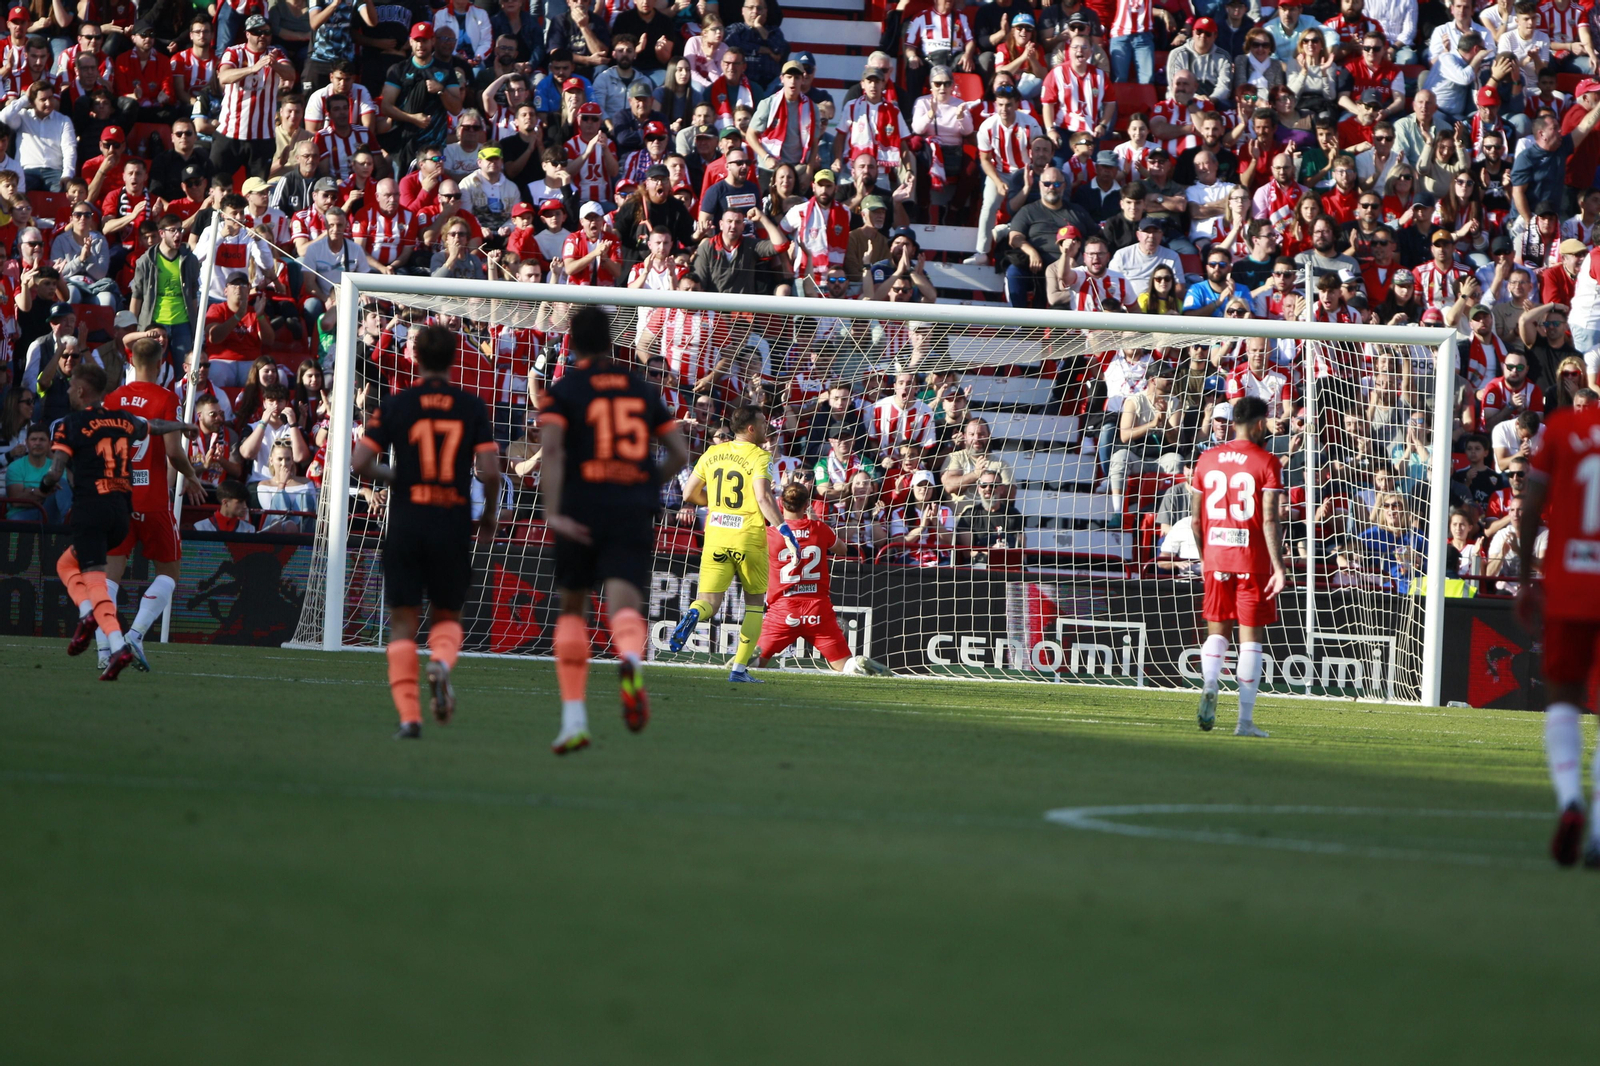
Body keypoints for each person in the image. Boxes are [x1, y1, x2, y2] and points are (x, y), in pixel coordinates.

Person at [538, 305, 688, 753]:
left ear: (574, 343)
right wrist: (643, 484)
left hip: (581, 507)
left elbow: (552, 452)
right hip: (630, 509)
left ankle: (574, 720)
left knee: (573, 609)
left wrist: (553, 511)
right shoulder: (641, 389)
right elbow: (679, 453)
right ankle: (631, 659)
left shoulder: (565, 390)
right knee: (623, 603)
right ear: (610, 341)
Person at [349, 322, 501, 740]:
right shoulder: (471, 406)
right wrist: (489, 515)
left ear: (415, 357)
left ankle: (409, 718)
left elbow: (360, 463)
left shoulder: (397, 404)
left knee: (402, 622)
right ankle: (440, 662)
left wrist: (399, 477)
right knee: (447, 615)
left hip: (406, 524)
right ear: (454, 358)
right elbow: (490, 472)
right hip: (450, 523)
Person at [38, 363, 193, 680]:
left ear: (81, 390)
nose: (69, 391)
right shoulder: (122, 419)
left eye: (71, 386)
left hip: (91, 509)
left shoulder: (70, 424)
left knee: (75, 571)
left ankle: (94, 627)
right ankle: (117, 644)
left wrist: (42, 487)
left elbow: (55, 471)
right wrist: (182, 425)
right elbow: (154, 426)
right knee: (101, 579)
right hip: (120, 510)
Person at [1517, 400, 1600, 864]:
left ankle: (1570, 799)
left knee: (1563, 700)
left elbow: (1531, 507)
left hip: (1567, 586)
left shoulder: (1563, 427)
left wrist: (1526, 580)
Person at [101, 338, 205, 672]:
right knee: (169, 572)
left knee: (110, 576)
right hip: (152, 499)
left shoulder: (113, 398)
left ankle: (105, 648)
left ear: (131, 360)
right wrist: (191, 475)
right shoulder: (166, 398)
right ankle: (135, 634)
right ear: (161, 364)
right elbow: (174, 452)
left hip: (116, 497)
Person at [1189, 394, 1286, 737]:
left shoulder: (1206, 459)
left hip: (1216, 557)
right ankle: (1244, 722)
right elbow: (1270, 519)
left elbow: (1195, 520)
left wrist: (1206, 558)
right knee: (1250, 642)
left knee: (1217, 633)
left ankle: (1210, 681)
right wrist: (1278, 566)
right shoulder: (1267, 461)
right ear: (1259, 424)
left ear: (1233, 423)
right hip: (1252, 560)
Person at [667, 403, 786, 683]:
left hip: (716, 537)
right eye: (763, 423)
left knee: (708, 602)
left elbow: (688, 493)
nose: (767, 428)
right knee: (755, 604)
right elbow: (763, 497)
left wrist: (715, 501)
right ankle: (739, 669)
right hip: (748, 539)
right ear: (751, 429)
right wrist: (783, 528)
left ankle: (694, 613)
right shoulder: (760, 456)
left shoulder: (712, 452)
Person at [749, 480, 891, 675]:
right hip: (817, 609)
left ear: (781, 504)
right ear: (807, 504)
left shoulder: (770, 533)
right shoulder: (819, 528)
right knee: (844, 664)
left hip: (783, 609)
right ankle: (856, 665)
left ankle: (748, 659)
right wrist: (816, 524)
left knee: (755, 662)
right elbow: (842, 549)